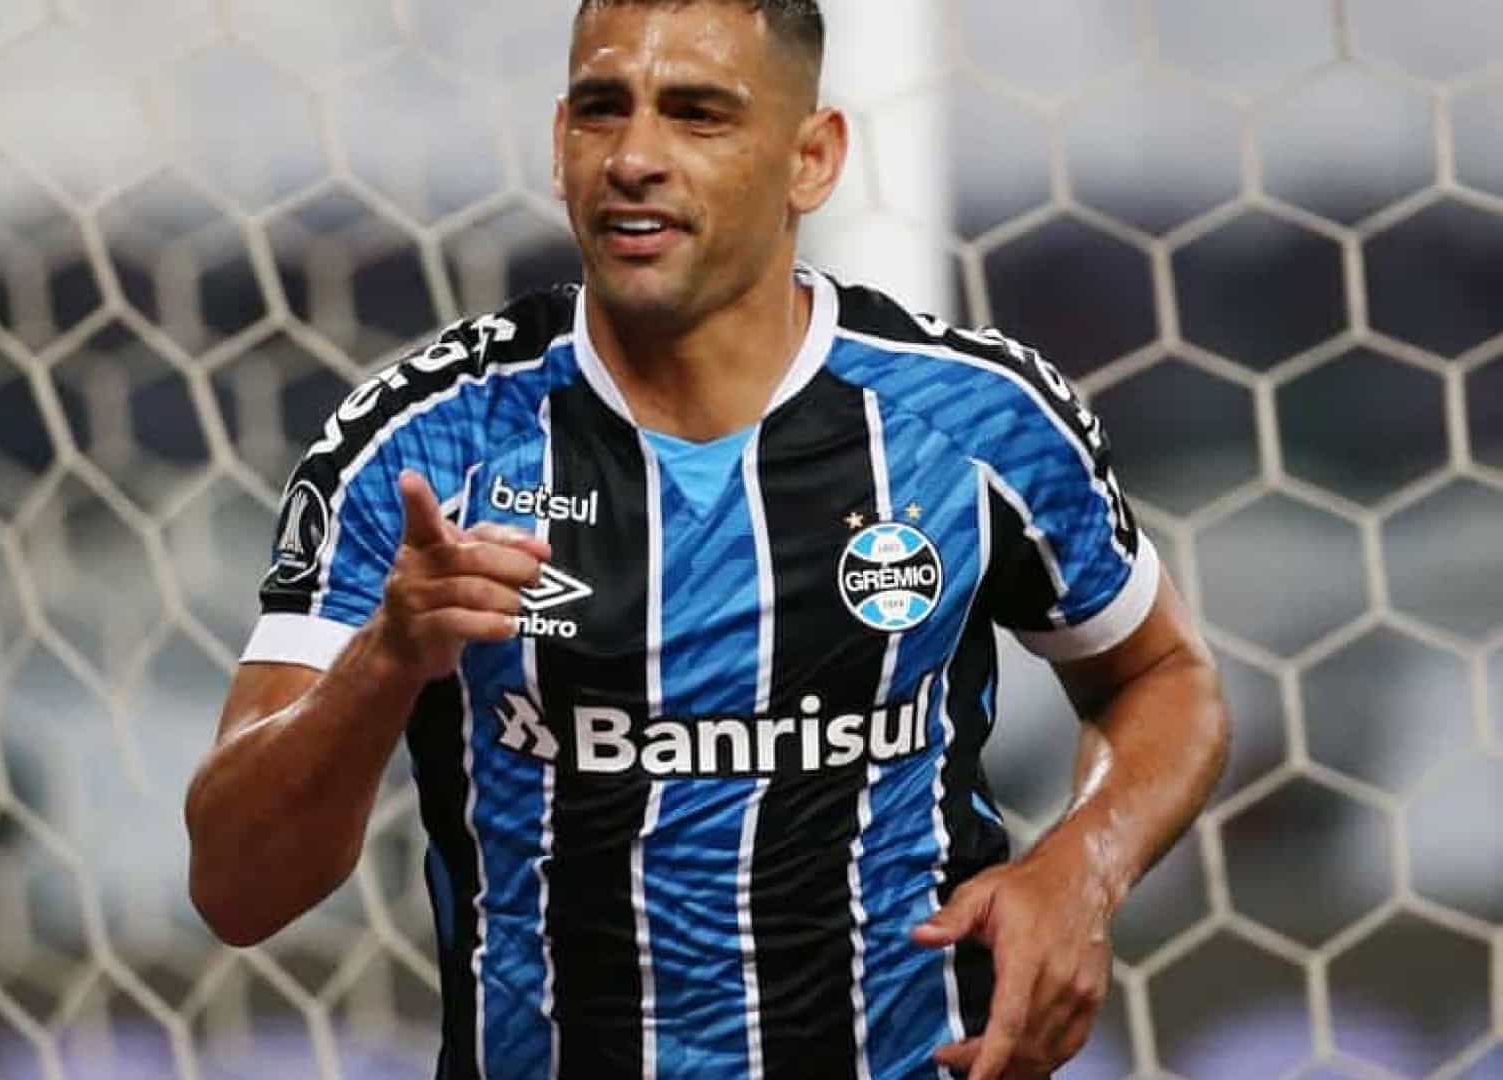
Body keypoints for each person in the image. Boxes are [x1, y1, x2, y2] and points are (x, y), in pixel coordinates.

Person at [185, 0, 1231, 1076]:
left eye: (697, 114)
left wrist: (1081, 870)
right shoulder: (425, 444)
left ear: (811, 159)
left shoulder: (975, 419)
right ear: (560, 141)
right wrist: (386, 658)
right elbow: (235, 887)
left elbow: (1164, 677)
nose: (634, 157)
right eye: (603, 109)